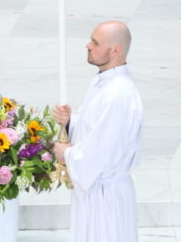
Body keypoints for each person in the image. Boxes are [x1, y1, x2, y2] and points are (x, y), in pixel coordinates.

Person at [52, 21, 143, 242]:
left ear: (115, 51)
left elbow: (103, 150)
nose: (88, 45)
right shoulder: (104, 83)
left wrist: (66, 153)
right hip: (95, 191)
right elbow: (96, 130)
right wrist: (70, 123)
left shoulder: (118, 94)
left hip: (106, 197)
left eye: (96, 42)